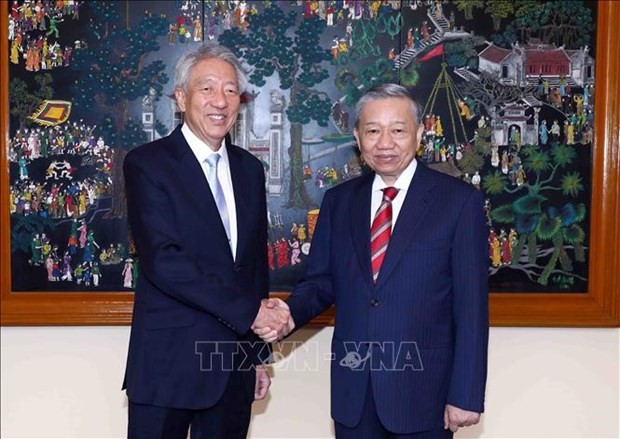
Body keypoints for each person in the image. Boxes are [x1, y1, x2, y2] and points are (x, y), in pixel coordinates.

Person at [255, 84, 488, 438]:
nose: (385, 143)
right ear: (357, 137)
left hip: (425, 396)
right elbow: (321, 282)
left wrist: (466, 394)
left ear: (420, 133)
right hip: (355, 397)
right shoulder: (339, 202)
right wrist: (288, 316)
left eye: (398, 130)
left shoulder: (458, 202)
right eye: (373, 130)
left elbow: (471, 307)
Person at [122, 44, 290, 439]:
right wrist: (250, 314)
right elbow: (164, 261)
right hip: (167, 367)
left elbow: (252, 270)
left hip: (232, 369)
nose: (221, 101)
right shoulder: (148, 164)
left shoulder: (250, 170)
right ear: (181, 98)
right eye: (207, 89)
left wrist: (257, 356)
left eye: (231, 91)